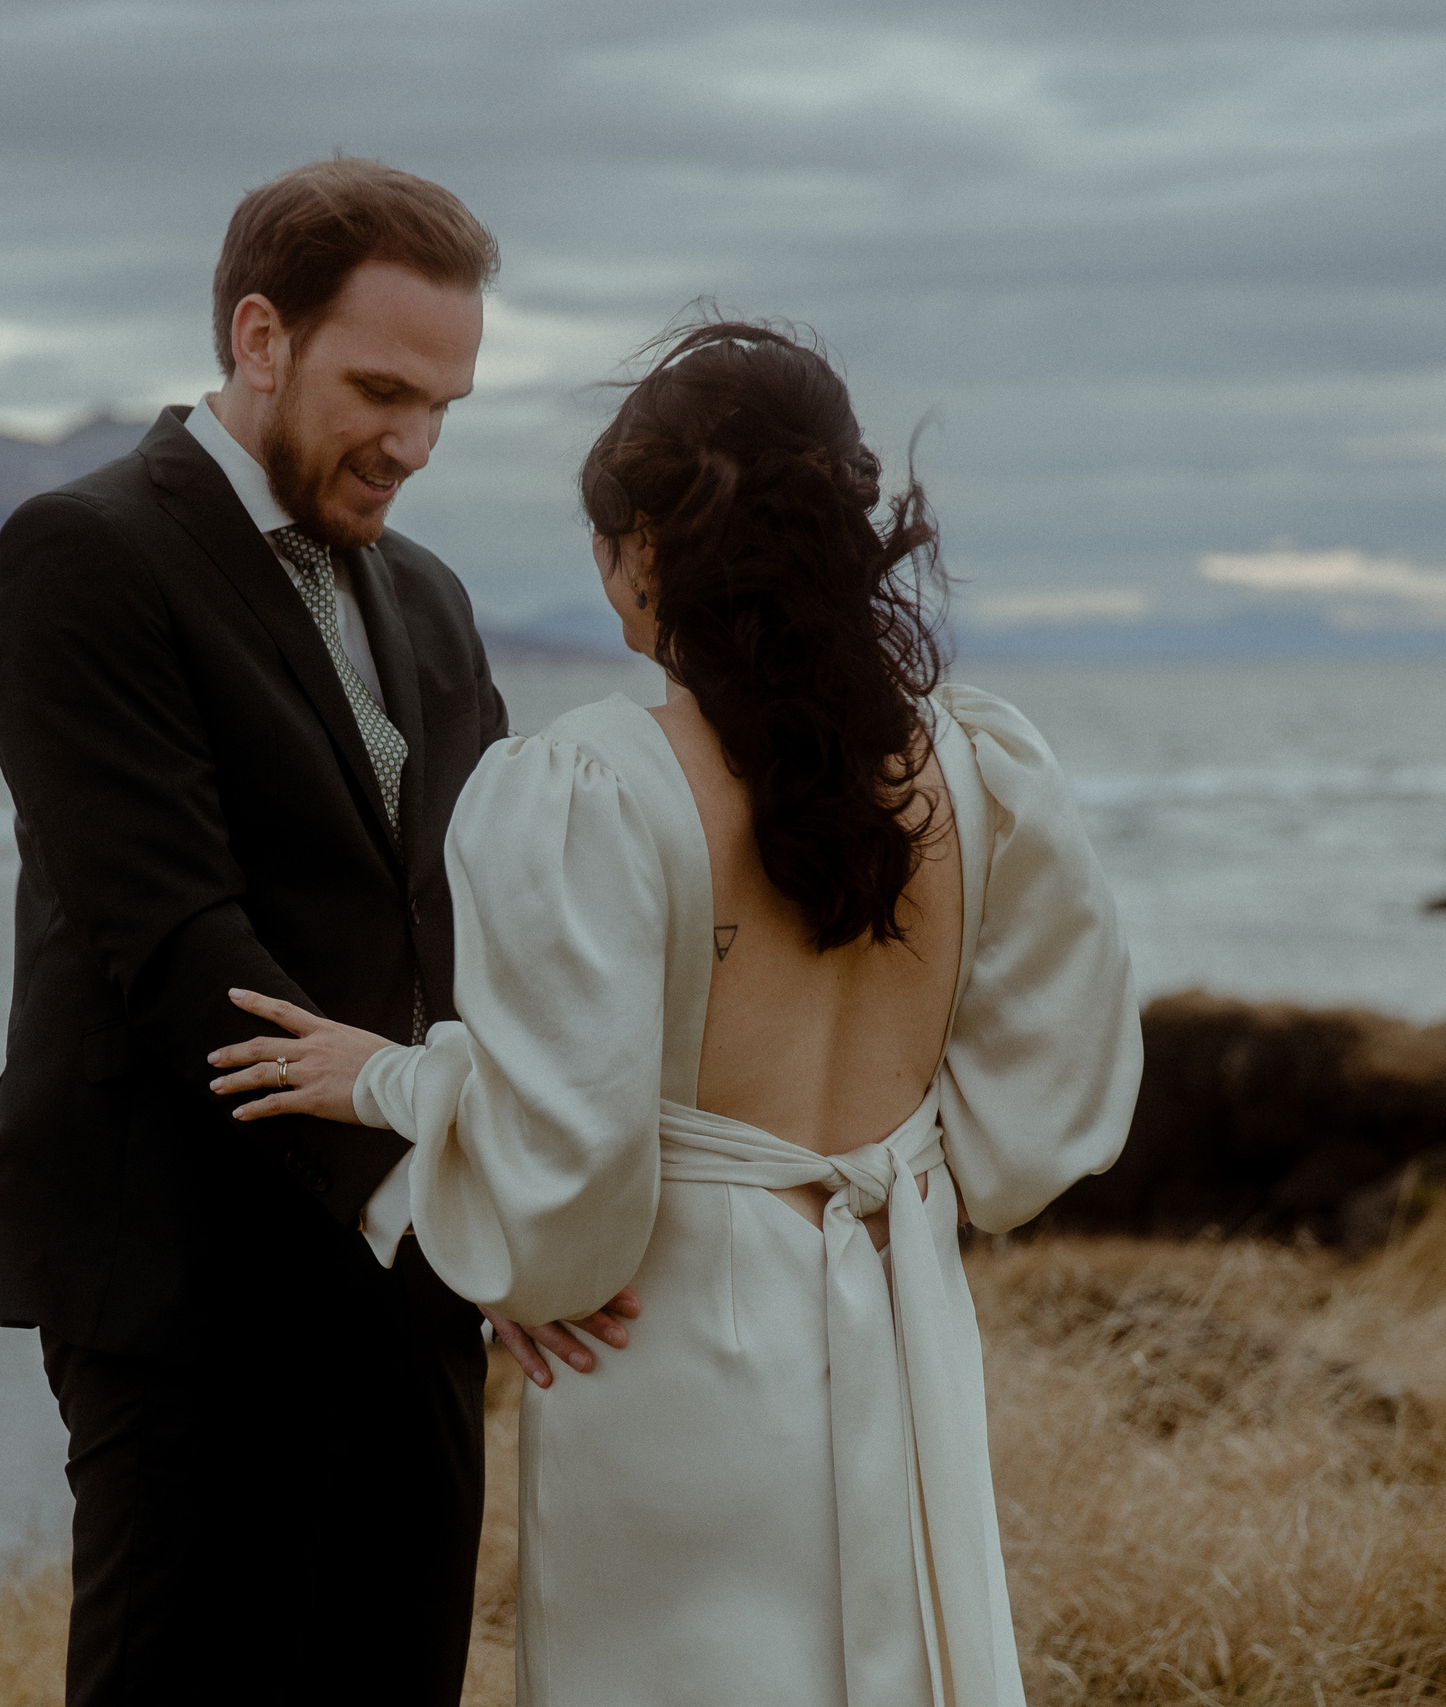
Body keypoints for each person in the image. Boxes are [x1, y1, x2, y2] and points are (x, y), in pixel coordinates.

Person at [212, 320, 1145, 1706]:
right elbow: (1032, 1131)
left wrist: (400, 1084)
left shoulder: (590, 785)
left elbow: (563, 1204)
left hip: (676, 1352)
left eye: (608, 547)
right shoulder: (980, 769)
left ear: (646, 552)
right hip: (900, 1320)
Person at [0, 158, 631, 1707]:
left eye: (446, 406)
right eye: (382, 389)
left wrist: (514, 1196)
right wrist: (437, 1195)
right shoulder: (83, 556)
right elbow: (172, 935)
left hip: (411, 1281)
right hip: (185, 1272)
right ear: (260, 336)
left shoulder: (436, 601)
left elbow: (485, 920)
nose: (412, 442)